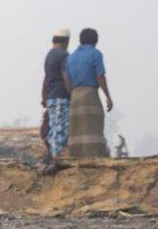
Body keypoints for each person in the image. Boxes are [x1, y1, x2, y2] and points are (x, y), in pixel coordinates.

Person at [65, 28, 113, 158]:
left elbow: (67, 80)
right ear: (96, 41)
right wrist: (108, 97)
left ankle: (75, 157)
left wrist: (72, 94)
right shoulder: (96, 54)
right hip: (89, 94)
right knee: (92, 126)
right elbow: (100, 76)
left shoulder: (70, 57)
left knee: (77, 128)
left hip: (74, 96)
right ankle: (94, 157)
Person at [40, 28, 73, 158]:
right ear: (67, 41)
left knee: (53, 129)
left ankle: (53, 157)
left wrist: (44, 97)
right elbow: (65, 76)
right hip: (61, 97)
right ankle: (58, 159)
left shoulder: (49, 55)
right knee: (60, 131)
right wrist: (72, 93)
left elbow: (45, 79)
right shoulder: (63, 55)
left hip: (51, 97)